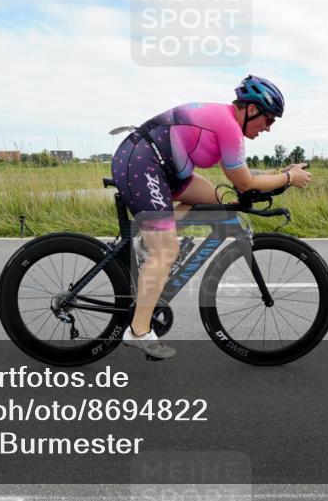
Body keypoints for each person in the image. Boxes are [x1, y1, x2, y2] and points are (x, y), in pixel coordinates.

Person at [110, 75, 312, 360]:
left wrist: (280, 174)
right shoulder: (228, 125)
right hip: (143, 162)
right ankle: (138, 330)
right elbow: (245, 184)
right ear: (251, 110)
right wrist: (289, 177)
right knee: (167, 249)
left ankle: (147, 240)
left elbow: (243, 178)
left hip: (164, 168)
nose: (269, 129)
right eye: (269, 120)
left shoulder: (227, 124)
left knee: (220, 201)